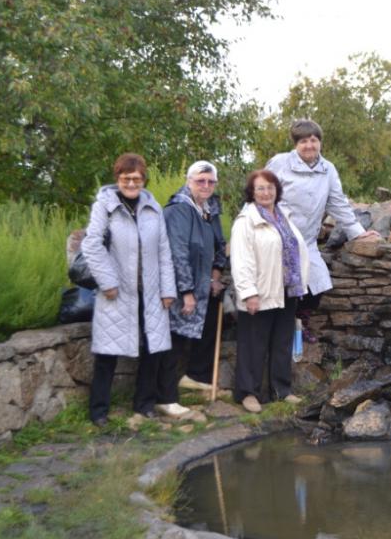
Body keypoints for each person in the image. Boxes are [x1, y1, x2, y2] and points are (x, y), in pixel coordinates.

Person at [81, 153, 177, 427]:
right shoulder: (105, 206)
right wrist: (107, 281)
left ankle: (144, 405)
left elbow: (163, 251)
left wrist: (167, 289)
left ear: (144, 179)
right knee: (107, 353)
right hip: (117, 291)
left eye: (136, 178)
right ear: (118, 179)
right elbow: (91, 245)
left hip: (150, 292)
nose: (131, 183)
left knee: (153, 349)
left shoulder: (153, 208)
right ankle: (98, 411)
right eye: (126, 178)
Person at [266, 120, 380, 334]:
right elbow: (260, 193)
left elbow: (337, 203)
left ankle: (300, 323)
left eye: (313, 140)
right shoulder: (280, 163)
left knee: (317, 285)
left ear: (319, 142)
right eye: (303, 141)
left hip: (307, 240)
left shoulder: (328, 169)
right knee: (281, 288)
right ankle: (282, 329)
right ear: (295, 144)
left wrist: (358, 233)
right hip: (278, 237)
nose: (309, 145)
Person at [230, 169, 310, 413]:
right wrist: (248, 293)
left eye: (270, 187)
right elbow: (241, 260)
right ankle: (248, 394)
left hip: (286, 290)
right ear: (252, 193)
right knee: (253, 345)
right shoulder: (246, 221)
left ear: (277, 190)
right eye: (260, 188)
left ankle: (281, 391)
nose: (266, 192)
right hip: (259, 292)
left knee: (281, 343)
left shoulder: (283, 217)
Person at [163, 161, 228, 404]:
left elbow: (219, 245)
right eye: (200, 180)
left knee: (208, 325)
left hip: (203, 283)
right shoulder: (179, 209)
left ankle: (196, 377)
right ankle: (166, 398)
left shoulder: (209, 209)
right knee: (175, 339)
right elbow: (177, 252)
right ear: (188, 181)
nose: (206, 185)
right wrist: (187, 291)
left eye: (211, 181)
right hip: (181, 286)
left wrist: (215, 275)